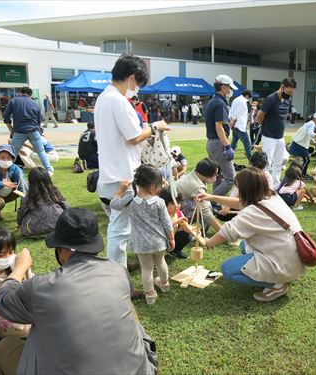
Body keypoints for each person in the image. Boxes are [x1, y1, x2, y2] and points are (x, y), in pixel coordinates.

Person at [0, 208, 158, 374]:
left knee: (3, 349)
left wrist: (20, 267)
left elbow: (1, 301)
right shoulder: (118, 270)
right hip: (140, 370)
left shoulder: (41, 287)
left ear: (61, 248)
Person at [95, 54, 167, 273]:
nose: (137, 89)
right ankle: (118, 276)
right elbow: (134, 137)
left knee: (120, 226)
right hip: (122, 175)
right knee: (119, 229)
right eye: (139, 84)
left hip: (112, 171)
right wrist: (156, 126)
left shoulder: (103, 98)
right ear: (132, 78)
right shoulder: (118, 101)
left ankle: (120, 267)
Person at [199, 167, 306, 302]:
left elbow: (228, 232)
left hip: (283, 263)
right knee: (244, 244)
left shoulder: (253, 212)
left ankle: (277, 284)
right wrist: (212, 197)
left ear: (247, 190)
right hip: (293, 257)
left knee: (227, 269)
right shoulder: (272, 197)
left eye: (239, 188)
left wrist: (209, 242)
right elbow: (240, 204)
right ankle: (278, 275)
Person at [111, 165, 174, 305]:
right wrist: (171, 238)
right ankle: (164, 284)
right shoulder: (160, 202)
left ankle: (150, 295)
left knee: (147, 269)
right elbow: (167, 223)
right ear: (153, 186)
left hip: (141, 244)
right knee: (160, 262)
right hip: (159, 242)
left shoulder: (131, 201)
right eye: (159, 185)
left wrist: (121, 190)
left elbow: (114, 204)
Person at [4, 87, 54, 175]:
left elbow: (6, 115)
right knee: (41, 151)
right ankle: (49, 169)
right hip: (34, 130)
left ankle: (7, 171)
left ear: (20, 93)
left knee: (13, 152)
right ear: (30, 95)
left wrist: (10, 128)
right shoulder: (35, 103)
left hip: (19, 130)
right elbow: (40, 119)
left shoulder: (14, 101)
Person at [257, 78, 296, 189]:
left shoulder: (287, 100)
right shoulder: (270, 99)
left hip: (280, 137)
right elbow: (259, 116)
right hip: (269, 137)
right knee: (267, 163)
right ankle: (265, 185)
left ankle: (275, 185)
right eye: (288, 92)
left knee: (278, 163)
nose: (289, 94)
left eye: (291, 93)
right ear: (282, 87)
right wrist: (266, 125)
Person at [205, 74, 237, 196]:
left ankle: (214, 203)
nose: (231, 91)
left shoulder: (212, 101)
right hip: (219, 143)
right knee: (230, 178)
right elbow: (218, 126)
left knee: (218, 176)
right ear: (223, 87)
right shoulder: (220, 103)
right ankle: (211, 201)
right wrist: (227, 146)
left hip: (211, 142)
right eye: (230, 88)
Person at [217, 151, 273, 220]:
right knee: (222, 215)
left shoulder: (268, 177)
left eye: (259, 170)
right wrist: (228, 206)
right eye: (254, 168)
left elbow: (268, 196)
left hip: (259, 205)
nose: (257, 172)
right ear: (251, 164)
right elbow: (236, 191)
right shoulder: (245, 174)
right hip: (245, 203)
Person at [17, 167, 68, 237]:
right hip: (58, 225)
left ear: (31, 181)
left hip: (33, 229)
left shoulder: (29, 195)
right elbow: (65, 205)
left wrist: (19, 223)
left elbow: (22, 211)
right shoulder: (54, 190)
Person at [175, 158, 222, 232]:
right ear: (206, 173)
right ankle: (182, 228)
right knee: (204, 207)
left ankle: (200, 229)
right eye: (214, 175)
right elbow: (205, 212)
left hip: (176, 204)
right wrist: (223, 232)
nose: (215, 178)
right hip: (174, 210)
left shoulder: (196, 173)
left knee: (206, 204)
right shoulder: (196, 186)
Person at [0, 145, 27, 222]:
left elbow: (24, 189)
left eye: (9, 158)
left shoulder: (16, 169)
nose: (6, 160)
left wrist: (23, 211)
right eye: (3, 157)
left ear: (12, 159)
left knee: (21, 191)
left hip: (7, 194)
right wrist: (2, 183)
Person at [288, 112, 316, 178]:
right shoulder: (312, 123)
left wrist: (315, 142)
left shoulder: (308, 123)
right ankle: (301, 175)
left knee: (302, 160)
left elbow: (307, 135)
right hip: (300, 144)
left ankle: (299, 174)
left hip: (299, 143)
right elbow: (310, 133)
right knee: (306, 160)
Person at [160, 187, 192, 259]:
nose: (177, 206)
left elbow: (187, 230)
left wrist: (188, 227)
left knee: (187, 235)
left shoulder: (179, 214)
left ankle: (175, 251)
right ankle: (155, 258)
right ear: (164, 203)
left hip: (171, 239)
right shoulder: (161, 214)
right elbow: (163, 226)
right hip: (160, 241)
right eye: (173, 203)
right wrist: (177, 221)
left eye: (179, 203)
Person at [229, 89, 253, 162]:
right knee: (247, 144)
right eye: (249, 98)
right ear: (247, 96)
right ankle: (253, 162)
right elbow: (236, 114)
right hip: (239, 126)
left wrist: (231, 123)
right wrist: (232, 123)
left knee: (234, 143)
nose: (248, 99)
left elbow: (231, 111)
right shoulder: (242, 101)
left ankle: (228, 158)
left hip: (236, 125)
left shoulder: (236, 99)